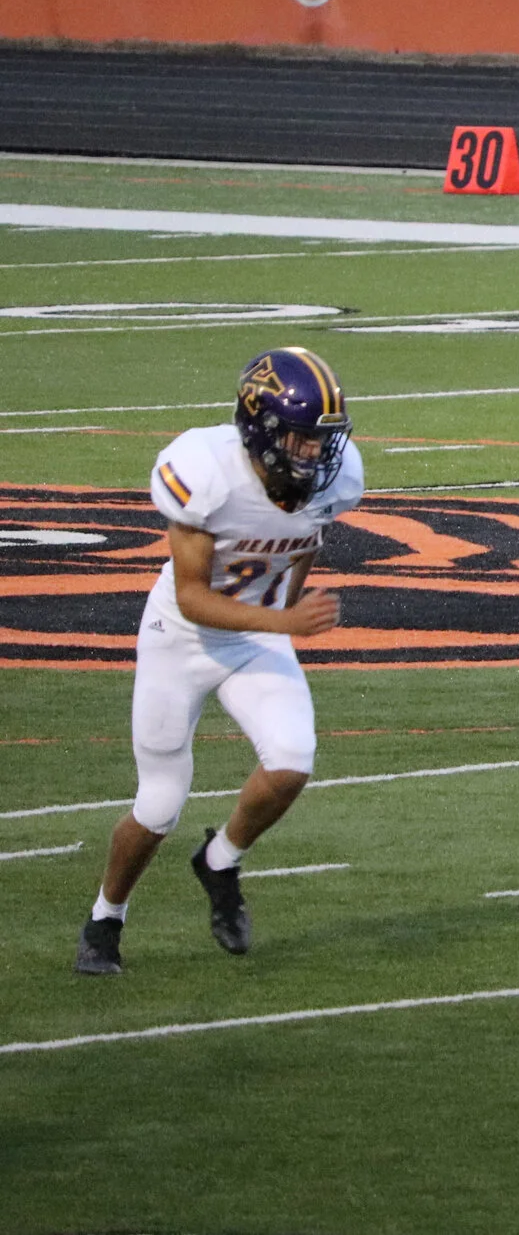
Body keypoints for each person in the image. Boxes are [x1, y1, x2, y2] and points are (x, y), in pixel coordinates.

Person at [74, 348, 362, 976]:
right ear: (259, 428)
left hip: (257, 634)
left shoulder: (334, 481)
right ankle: (105, 919)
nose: (314, 454)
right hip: (180, 639)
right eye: (300, 438)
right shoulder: (204, 469)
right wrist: (284, 621)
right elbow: (193, 597)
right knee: (158, 806)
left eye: (321, 441)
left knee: (290, 763)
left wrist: (285, 607)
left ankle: (220, 861)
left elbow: (301, 545)